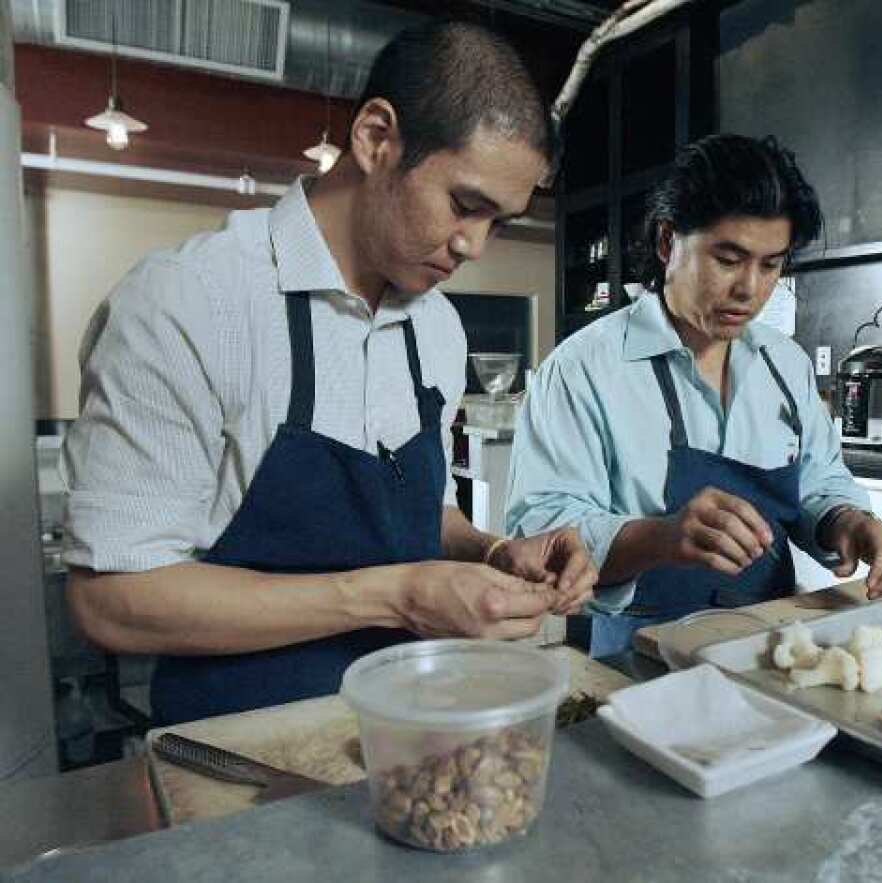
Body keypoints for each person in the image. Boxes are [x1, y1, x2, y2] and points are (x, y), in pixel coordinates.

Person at [61, 22, 596, 726]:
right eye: (466, 206)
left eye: (500, 222)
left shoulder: (437, 327)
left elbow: (403, 516)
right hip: (241, 750)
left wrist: (492, 551)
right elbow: (111, 599)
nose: (475, 245)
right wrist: (398, 595)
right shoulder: (189, 301)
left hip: (414, 730)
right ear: (377, 138)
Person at [505, 133, 882, 658]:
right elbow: (542, 530)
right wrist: (663, 537)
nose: (750, 289)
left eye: (770, 265)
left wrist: (848, 521)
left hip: (774, 645)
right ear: (668, 242)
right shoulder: (583, 369)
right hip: (637, 652)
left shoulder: (785, 365)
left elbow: (819, 480)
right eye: (729, 259)